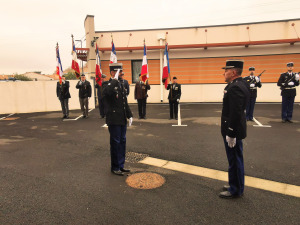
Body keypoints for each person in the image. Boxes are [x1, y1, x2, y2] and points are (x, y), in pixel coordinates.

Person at [220, 59, 250, 199]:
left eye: (226, 71)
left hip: (233, 131)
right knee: (235, 159)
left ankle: (236, 189)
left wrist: (231, 132)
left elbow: (236, 112)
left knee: (235, 160)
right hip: (236, 129)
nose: (224, 73)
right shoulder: (240, 83)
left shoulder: (235, 87)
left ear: (233, 72)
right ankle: (235, 183)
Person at [102, 63, 133, 176]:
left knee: (122, 142)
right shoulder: (107, 83)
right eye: (119, 71)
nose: (121, 73)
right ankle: (115, 167)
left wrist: (129, 115)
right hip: (114, 119)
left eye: (121, 71)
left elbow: (124, 101)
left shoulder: (121, 84)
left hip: (122, 119)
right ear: (112, 72)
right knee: (115, 143)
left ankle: (121, 165)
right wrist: (114, 80)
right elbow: (106, 93)